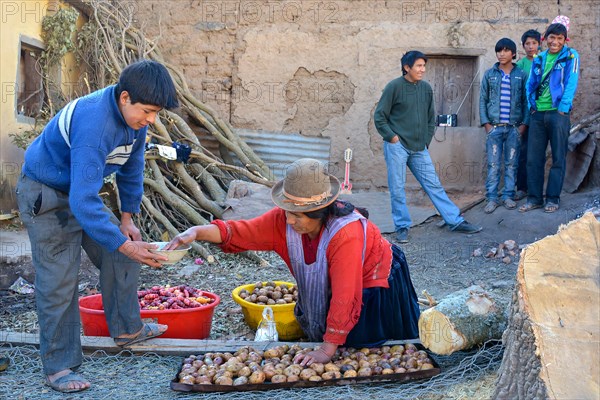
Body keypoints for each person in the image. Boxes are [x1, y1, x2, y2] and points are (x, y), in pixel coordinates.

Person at [16, 60, 179, 393]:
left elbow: (131, 169)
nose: (151, 119)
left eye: (156, 113)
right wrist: (123, 242)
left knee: (121, 251)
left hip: (80, 191)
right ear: (124, 97)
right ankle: (59, 366)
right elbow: (82, 201)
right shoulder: (94, 123)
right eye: (148, 111)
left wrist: (127, 220)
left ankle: (127, 330)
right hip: (46, 194)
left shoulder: (137, 121)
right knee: (60, 278)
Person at [166, 158, 421, 365]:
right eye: (288, 212)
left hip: (372, 278)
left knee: (366, 347)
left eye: (298, 216)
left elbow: (346, 293)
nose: (289, 221)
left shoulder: (346, 233)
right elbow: (239, 231)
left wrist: (327, 349)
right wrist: (196, 232)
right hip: (344, 280)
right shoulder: (283, 220)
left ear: (320, 213)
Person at [374, 50, 482, 243]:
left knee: (433, 184)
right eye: (418, 66)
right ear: (407, 68)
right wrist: (392, 138)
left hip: (418, 147)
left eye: (424, 66)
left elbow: (430, 117)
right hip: (397, 146)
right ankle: (402, 227)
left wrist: (425, 140)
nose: (422, 69)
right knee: (397, 188)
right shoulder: (394, 87)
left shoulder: (425, 88)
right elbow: (380, 116)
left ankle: (454, 221)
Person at [519, 16, 580, 213]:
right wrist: (531, 105)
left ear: (565, 40)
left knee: (558, 157)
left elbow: (572, 82)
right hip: (538, 114)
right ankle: (535, 198)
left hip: (558, 114)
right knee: (533, 158)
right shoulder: (539, 58)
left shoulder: (571, 56)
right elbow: (530, 83)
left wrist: (563, 107)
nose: (555, 42)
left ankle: (552, 198)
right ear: (546, 38)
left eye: (560, 39)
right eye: (552, 38)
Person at [479, 38, 529, 214]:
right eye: (499, 50)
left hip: (514, 128)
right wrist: (486, 124)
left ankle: (508, 195)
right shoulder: (490, 74)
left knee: (511, 164)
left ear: (513, 54)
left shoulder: (521, 75)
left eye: (506, 50)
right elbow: (482, 100)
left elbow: (526, 101)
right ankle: (492, 198)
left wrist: (523, 125)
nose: (501, 54)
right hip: (494, 128)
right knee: (493, 165)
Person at [514, 29, 542, 201]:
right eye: (527, 44)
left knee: (537, 153)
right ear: (523, 46)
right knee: (523, 152)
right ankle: (521, 188)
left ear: (539, 44)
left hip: (541, 111)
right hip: (525, 114)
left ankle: (535, 188)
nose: (531, 47)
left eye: (534, 43)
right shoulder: (520, 65)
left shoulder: (544, 61)